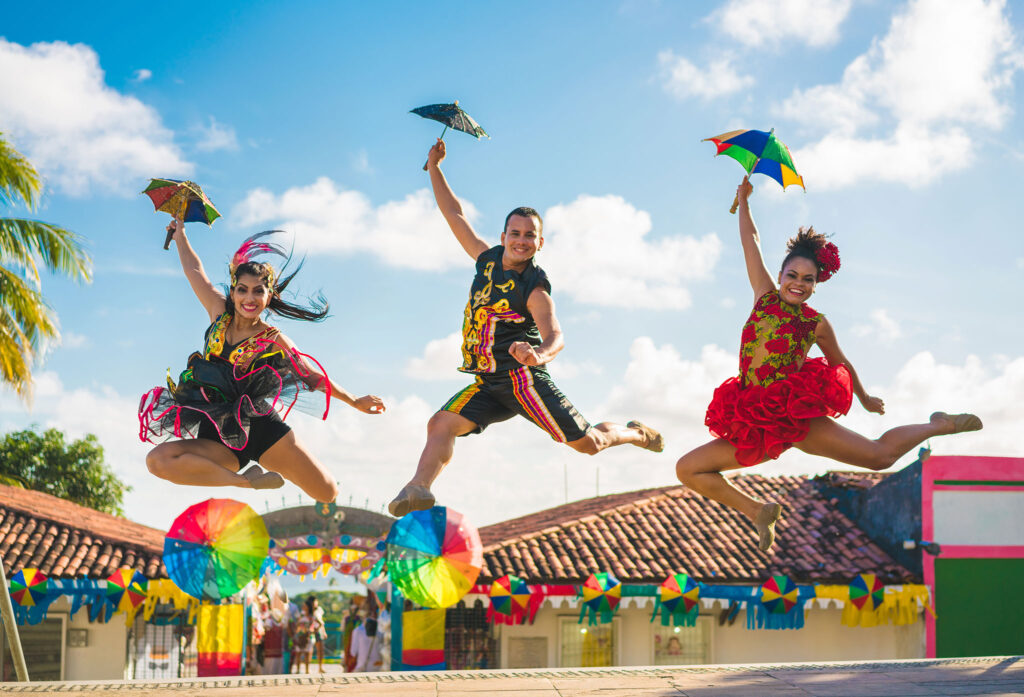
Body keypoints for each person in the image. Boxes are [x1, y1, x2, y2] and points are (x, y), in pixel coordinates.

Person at [675, 177, 983, 552]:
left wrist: (866, 398)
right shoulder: (764, 297)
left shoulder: (815, 322)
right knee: (688, 469)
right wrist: (743, 201)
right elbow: (750, 241)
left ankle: (939, 424)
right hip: (751, 416)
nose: (798, 284)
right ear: (781, 274)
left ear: (817, 284)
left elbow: (840, 362)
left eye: (808, 280)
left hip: (793, 414)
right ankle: (757, 511)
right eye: (792, 276)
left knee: (878, 457)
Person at [388, 140, 665, 516]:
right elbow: (454, 214)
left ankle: (636, 432)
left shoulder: (534, 288)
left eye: (529, 235)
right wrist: (435, 167)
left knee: (590, 443)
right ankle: (419, 487)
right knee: (440, 423)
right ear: (503, 236)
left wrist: (538, 355)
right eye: (515, 233)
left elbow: (556, 335)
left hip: (525, 382)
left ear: (540, 243)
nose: (521, 241)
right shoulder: (485, 260)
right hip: (488, 382)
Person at [140, 222, 385, 502]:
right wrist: (180, 234)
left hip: (261, 428)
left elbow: (308, 374)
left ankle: (264, 472)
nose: (249, 298)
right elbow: (195, 271)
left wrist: (354, 400)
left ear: (270, 297)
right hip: (218, 436)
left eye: (258, 291)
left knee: (327, 492)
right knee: (157, 461)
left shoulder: (273, 337)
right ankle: (246, 481)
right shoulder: (219, 313)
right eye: (242, 289)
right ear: (232, 292)